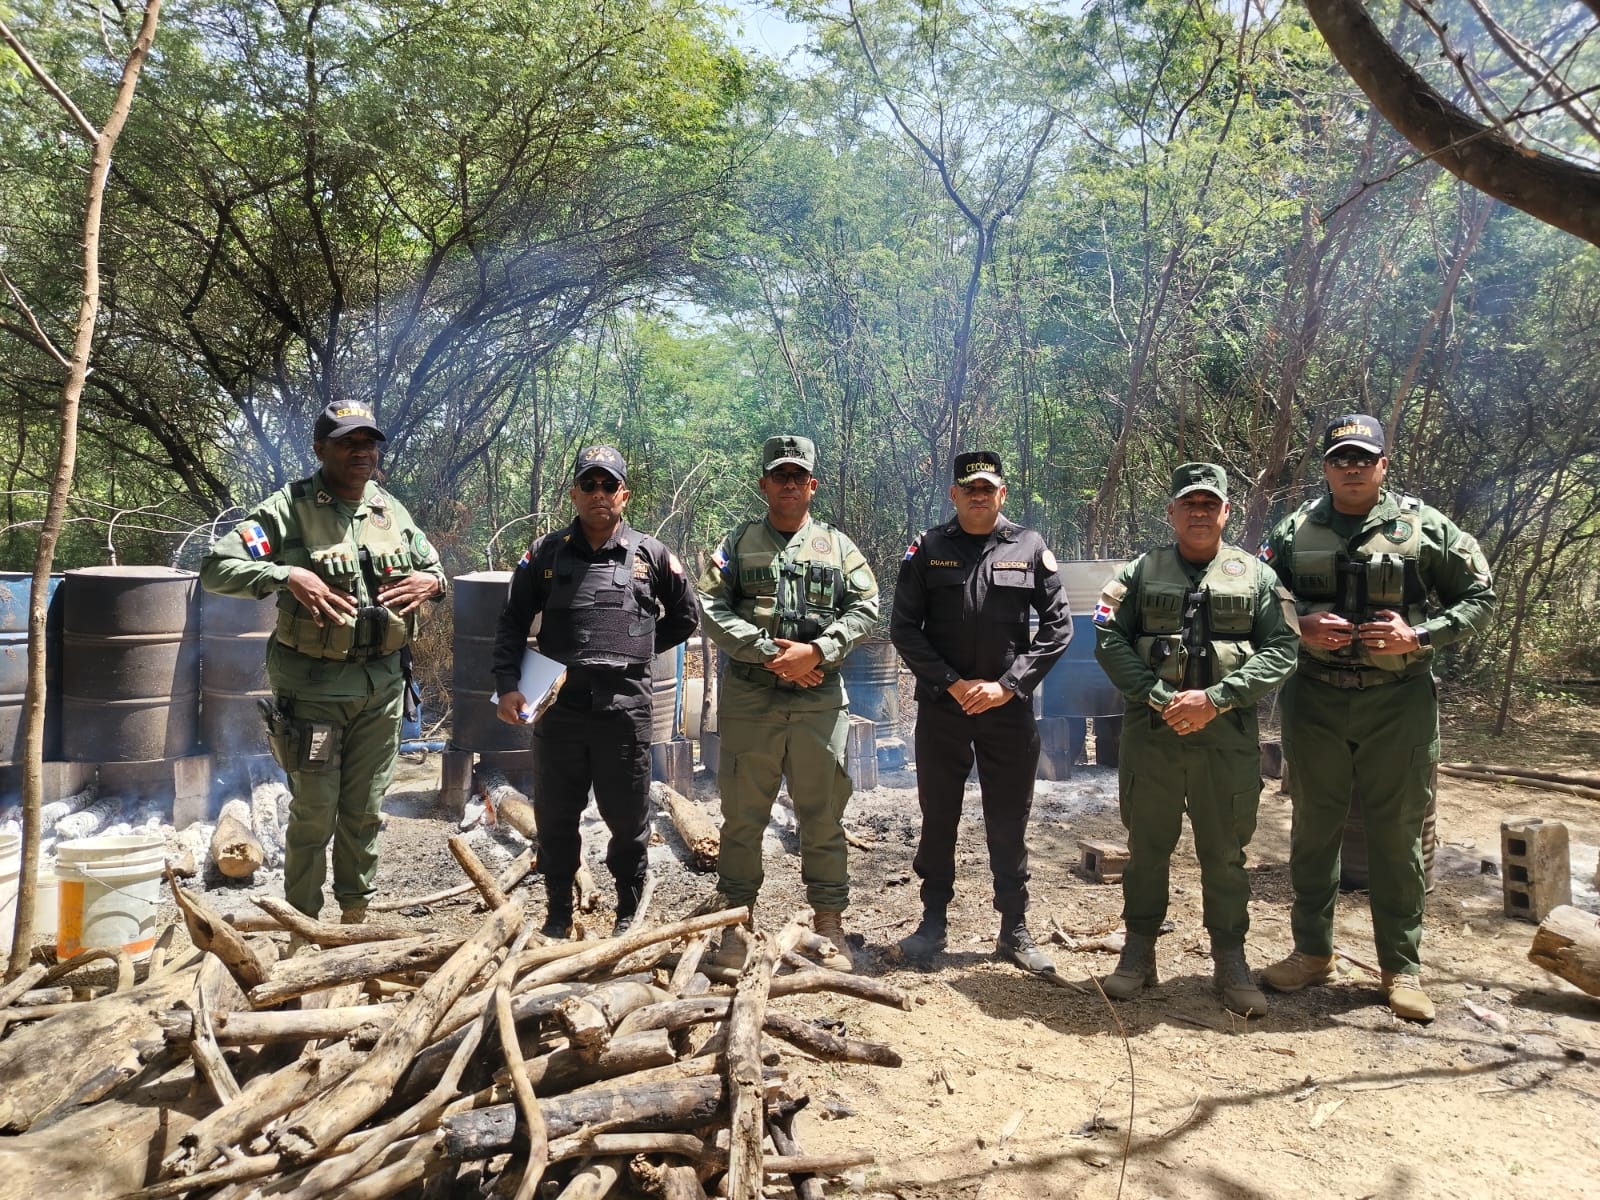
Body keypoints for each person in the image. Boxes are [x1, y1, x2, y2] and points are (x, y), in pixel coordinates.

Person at [1261, 415, 1496, 1022]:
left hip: (1398, 703)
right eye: (1341, 458)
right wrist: (1300, 625)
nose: (1353, 468)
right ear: (1325, 467)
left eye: (1364, 458)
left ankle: (1401, 968)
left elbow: (1480, 598)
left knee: (1397, 835)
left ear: (1383, 465)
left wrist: (1419, 635)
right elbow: (1257, 601)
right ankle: (1313, 953)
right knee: (1314, 830)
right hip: (1315, 699)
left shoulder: (1423, 528)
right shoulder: (1293, 530)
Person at [201, 400, 447, 926]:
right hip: (313, 691)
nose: (361, 452)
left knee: (366, 810)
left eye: (368, 442)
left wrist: (432, 582)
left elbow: (433, 567)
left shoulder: (388, 509)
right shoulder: (288, 509)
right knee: (314, 812)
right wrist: (286, 575)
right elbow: (217, 567)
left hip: (382, 689)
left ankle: (354, 919)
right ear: (320, 449)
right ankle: (303, 926)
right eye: (346, 442)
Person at [1093, 464, 1299, 1015]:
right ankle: (1138, 955)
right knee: (1146, 850)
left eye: (1210, 504)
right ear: (1172, 512)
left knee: (1226, 854)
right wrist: (1160, 697)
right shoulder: (1140, 571)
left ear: (1227, 512)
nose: (1200, 513)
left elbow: (1283, 648)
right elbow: (1107, 636)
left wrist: (1217, 699)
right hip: (1152, 736)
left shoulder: (1256, 577)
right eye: (1189, 503)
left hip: (1226, 738)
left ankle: (1230, 962)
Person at [491, 445, 699, 938]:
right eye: (589, 484)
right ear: (574, 494)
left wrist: (638, 645)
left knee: (628, 820)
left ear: (624, 495)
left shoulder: (651, 554)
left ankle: (628, 913)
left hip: (624, 710)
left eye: (609, 485)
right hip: (559, 711)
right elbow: (512, 622)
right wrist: (507, 686)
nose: (599, 494)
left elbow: (686, 617)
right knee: (556, 818)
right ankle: (559, 914)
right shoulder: (545, 553)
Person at [696, 434, 880, 969]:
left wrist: (817, 651)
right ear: (764, 484)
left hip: (819, 702)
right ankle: (734, 929)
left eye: (799, 476)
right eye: (780, 475)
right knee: (742, 818)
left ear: (812, 485)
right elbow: (708, 604)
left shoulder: (838, 547)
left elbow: (867, 606)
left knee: (823, 816)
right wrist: (767, 653)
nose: (790, 484)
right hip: (751, 700)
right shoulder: (737, 544)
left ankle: (829, 926)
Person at [890, 451, 1071, 973]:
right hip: (943, 708)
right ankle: (932, 923)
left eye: (987, 488)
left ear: (1002, 494)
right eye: (969, 488)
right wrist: (951, 683)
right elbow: (904, 628)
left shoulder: (1029, 546)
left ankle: (1014, 928)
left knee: (1008, 817)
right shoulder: (929, 548)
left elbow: (1058, 628)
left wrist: (1007, 686)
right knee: (938, 814)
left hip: (1006, 711)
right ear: (954, 494)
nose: (978, 495)